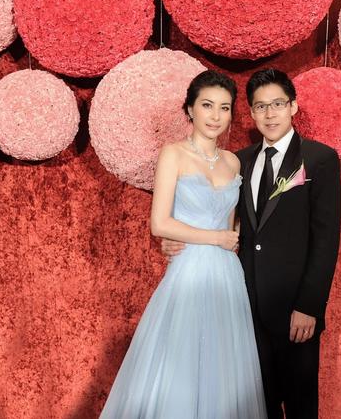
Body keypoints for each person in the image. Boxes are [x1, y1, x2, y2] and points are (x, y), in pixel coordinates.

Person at [163, 68, 341, 419]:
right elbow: (227, 221)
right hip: (243, 306)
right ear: (251, 112)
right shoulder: (239, 161)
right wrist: (176, 238)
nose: (269, 114)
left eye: (278, 104)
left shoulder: (319, 159)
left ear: (293, 106)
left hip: (294, 309)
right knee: (258, 406)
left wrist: (309, 305)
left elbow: (326, 239)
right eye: (260, 106)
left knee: (301, 405)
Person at [100, 70, 267, 419]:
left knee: (223, 367)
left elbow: (230, 223)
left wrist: (228, 235)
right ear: (190, 109)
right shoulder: (172, 155)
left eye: (224, 108)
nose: (215, 116)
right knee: (181, 363)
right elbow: (160, 223)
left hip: (227, 275)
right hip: (189, 271)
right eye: (207, 105)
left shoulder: (233, 161)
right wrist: (214, 238)